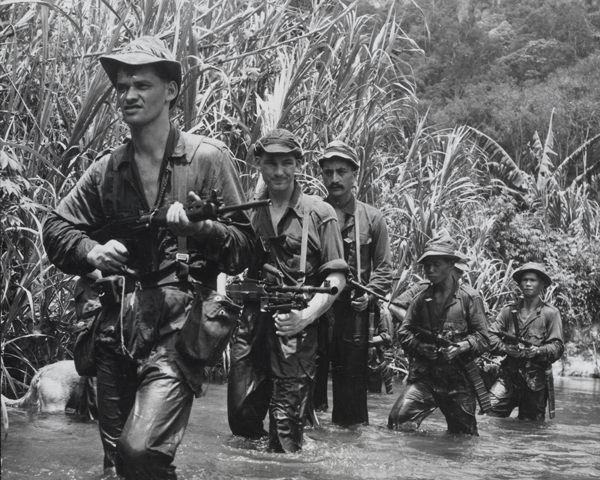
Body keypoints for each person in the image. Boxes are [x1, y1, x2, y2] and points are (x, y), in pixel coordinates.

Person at [43, 36, 256, 479]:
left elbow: (246, 247)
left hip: (177, 331)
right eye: (122, 87)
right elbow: (55, 227)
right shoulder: (107, 168)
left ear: (172, 91)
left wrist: (203, 229)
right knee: (115, 465)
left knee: (139, 453)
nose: (128, 95)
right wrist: (92, 251)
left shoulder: (207, 159)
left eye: (141, 84)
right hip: (113, 327)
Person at [227, 129, 348, 453]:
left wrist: (306, 316)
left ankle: (288, 460)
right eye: (270, 163)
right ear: (259, 165)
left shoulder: (320, 213)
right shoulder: (247, 213)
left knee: (283, 426)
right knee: (241, 415)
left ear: (298, 164)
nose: (278, 172)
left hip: (296, 326)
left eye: (286, 163)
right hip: (252, 323)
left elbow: (337, 278)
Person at [312, 140, 393, 426]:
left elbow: (384, 269)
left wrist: (370, 298)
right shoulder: (313, 213)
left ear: (354, 174)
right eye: (328, 172)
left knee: (351, 399)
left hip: (354, 313)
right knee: (311, 389)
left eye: (341, 171)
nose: (334, 179)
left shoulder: (372, 219)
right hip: (318, 310)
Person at [387, 233, 489, 435]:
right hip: (427, 377)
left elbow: (484, 339)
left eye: (436, 264)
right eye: (427, 265)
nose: (430, 270)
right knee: (397, 421)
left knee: (463, 439)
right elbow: (404, 332)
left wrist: (462, 347)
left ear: (451, 264)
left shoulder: (470, 298)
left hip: (458, 380)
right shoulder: (420, 298)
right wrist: (420, 346)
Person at [488, 262, 564, 420]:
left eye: (533, 280)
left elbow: (557, 347)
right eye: (525, 280)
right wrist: (505, 348)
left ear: (542, 284)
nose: (528, 283)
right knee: (488, 414)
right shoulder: (508, 311)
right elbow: (489, 336)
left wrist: (538, 351)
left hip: (535, 380)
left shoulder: (550, 313)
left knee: (530, 430)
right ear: (520, 284)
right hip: (508, 375)